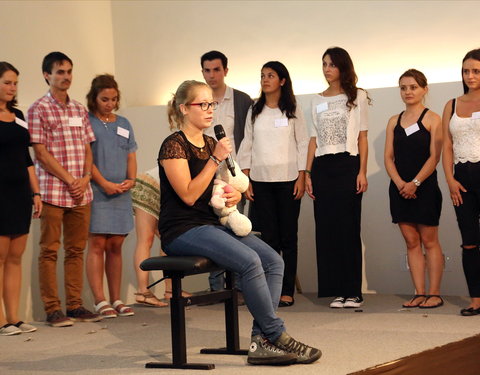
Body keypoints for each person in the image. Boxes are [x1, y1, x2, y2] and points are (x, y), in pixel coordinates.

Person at [157, 80, 320, 365]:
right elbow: (188, 194)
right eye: (202, 104)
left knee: (273, 261)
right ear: (184, 108)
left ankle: (261, 340)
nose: (210, 110)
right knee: (249, 261)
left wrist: (230, 193)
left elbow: (213, 188)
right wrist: (214, 160)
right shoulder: (174, 145)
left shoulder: (209, 143)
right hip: (182, 229)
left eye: (212, 104)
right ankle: (276, 334)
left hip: (210, 223)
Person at [28, 52, 101, 327]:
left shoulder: (79, 109)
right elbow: (41, 153)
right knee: (49, 250)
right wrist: (69, 179)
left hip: (81, 192)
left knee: (76, 249)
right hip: (52, 192)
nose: (66, 77)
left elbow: (86, 147)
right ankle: (52, 309)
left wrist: (83, 178)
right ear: (47, 75)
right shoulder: (38, 109)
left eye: (69, 71)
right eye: (60, 72)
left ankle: (74, 305)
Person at [237, 61, 308, 307]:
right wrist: (245, 178)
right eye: (262, 76)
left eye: (270, 75)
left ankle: (286, 290)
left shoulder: (293, 108)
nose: (265, 80)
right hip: (260, 180)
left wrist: (302, 175)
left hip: (289, 180)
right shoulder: (255, 110)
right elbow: (246, 143)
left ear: (282, 81)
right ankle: (268, 290)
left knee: (288, 237)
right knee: (267, 238)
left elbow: (303, 143)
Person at [305, 47, 369, 309]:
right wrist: (307, 173)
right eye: (324, 64)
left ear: (343, 67)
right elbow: (312, 140)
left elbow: (362, 137)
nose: (327, 69)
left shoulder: (357, 96)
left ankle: (353, 290)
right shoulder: (315, 100)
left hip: (348, 163)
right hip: (321, 166)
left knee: (348, 227)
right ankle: (336, 290)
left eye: (332, 64)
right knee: (327, 228)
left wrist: (362, 171)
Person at [384, 69, 444, 309]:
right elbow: (388, 157)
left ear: (424, 89)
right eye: (403, 88)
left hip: (425, 187)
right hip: (399, 188)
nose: (408, 92)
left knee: (429, 240)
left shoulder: (433, 118)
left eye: (413, 87)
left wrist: (415, 183)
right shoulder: (393, 121)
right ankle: (419, 292)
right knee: (410, 241)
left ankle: (434, 293)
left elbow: (435, 156)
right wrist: (401, 183)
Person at [85, 74, 137, 318]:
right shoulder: (87, 122)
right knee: (97, 244)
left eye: (114, 99)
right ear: (94, 98)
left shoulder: (124, 123)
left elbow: (131, 154)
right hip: (97, 190)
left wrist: (131, 179)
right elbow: (88, 160)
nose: (110, 103)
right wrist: (104, 183)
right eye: (105, 99)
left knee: (116, 244)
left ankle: (116, 298)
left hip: (121, 193)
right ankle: (99, 300)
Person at [201, 50, 252, 292]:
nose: (211, 75)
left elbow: (249, 140)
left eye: (216, 70)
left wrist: (246, 176)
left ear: (226, 71)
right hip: (204, 174)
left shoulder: (241, 100)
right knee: (211, 229)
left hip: (232, 174)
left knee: (235, 226)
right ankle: (216, 287)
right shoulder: (198, 100)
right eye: (207, 70)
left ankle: (239, 286)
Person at [0, 62, 42, 336]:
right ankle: (1, 320)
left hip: (19, 193)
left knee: (16, 256)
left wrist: (36, 192)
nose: (13, 87)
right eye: (7, 82)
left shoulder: (17, 115)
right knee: (0, 258)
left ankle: (14, 317)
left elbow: (28, 158)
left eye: (15, 83)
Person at [442, 48, 480, 316]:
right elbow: (446, 146)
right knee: (469, 240)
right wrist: (450, 180)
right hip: (461, 179)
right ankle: (476, 299)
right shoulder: (451, 104)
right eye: (466, 71)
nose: (470, 76)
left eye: (476, 71)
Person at [132, 166, 190, 307]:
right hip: (150, 185)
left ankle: (171, 290)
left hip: (165, 192)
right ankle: (143, 292)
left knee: (168, 237)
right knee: (146, 238)